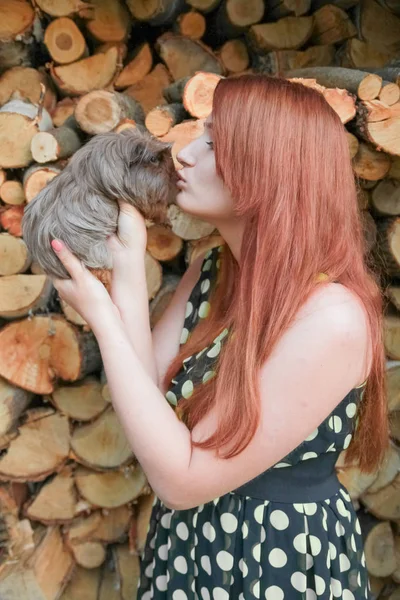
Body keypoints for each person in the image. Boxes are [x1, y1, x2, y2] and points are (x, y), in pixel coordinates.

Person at [50, 74, 388, 599]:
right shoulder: (215, 269)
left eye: (212, 143)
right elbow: (148, 399)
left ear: (268, 167)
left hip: (271, 562)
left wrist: (102, 316)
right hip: (187, 548)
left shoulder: (332, 318)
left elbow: (181, 480)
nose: (183, 155)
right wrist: (128, 264)